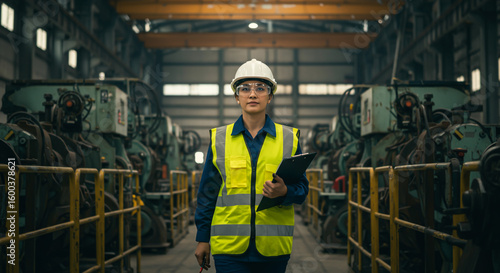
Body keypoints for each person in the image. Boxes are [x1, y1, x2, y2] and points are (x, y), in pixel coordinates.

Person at [194, 59, 309, 273]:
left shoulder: (289, 139)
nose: (253, 94)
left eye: (260, 88)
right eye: (244, 89)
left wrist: (285, 191)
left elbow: (302, 191)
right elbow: (207, 194)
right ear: (237, 97)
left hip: (273, 250)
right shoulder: (220, 139)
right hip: (229, 250)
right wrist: (202, 238)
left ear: (270, 96)